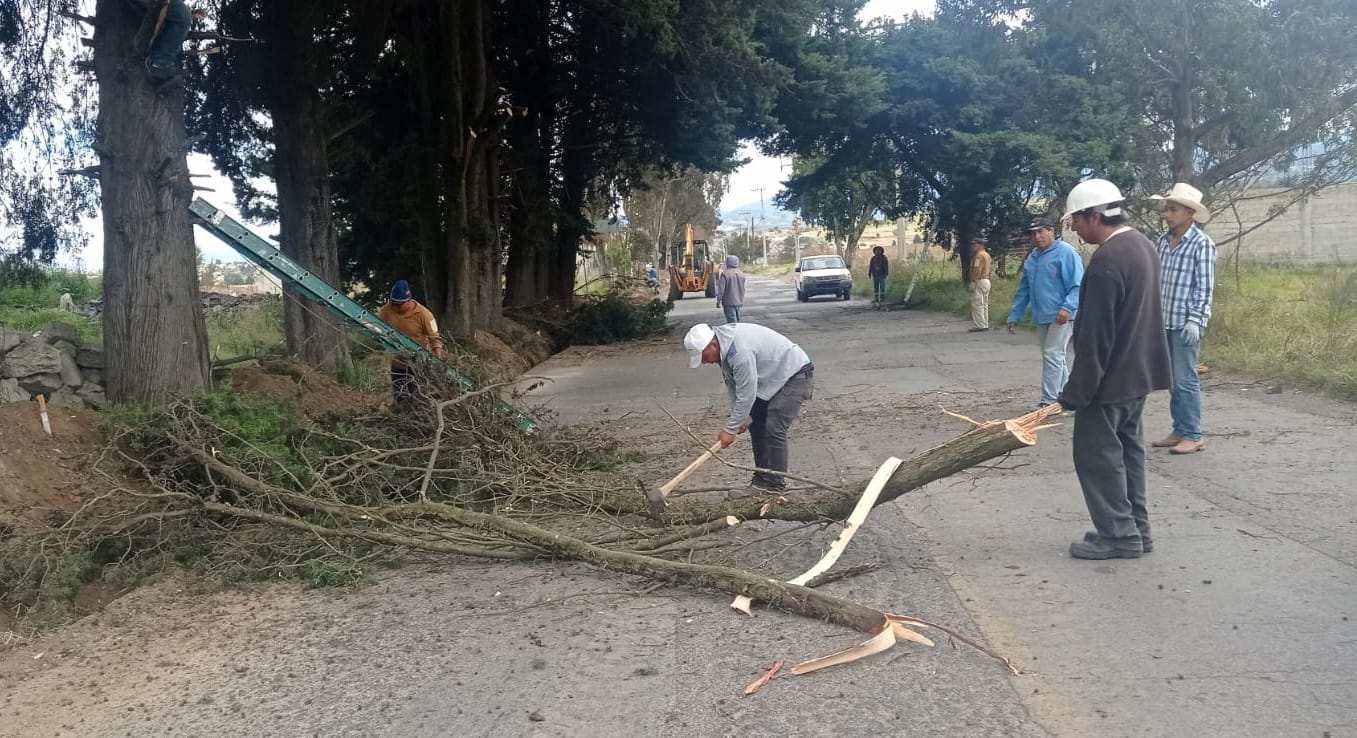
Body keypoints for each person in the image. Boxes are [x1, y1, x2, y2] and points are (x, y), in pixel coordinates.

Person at [1057, 178, 1171, 560]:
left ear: (1094, 215)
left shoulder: (1108, 260)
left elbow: (1095, 337)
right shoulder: (1143, 246)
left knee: (1097, 458)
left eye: (1076, 219)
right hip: (1138, 376)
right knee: (1127, 457)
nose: (1074, 227)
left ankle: (1119, 537)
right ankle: (1136, 529)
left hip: (1108, 382)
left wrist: (1076, 393)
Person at [684, 322, 813, 497]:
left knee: (774, 428)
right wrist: (740, 418)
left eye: (704, 356)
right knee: (756, 424)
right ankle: (761, 481)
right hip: (772, 379)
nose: (705, 361)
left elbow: (747, 392)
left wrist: (730, 429)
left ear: (712, 344)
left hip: (795, 375)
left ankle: (775, 486)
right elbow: (733, 385)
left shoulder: (739, 352)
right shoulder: (723, 347)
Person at [1149, 183, 1217, 455]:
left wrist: (1196, 320)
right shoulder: (1163, 242)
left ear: (1190, 212)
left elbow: (1204, 287)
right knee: (1172, 379)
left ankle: (1192, 433)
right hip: (1163, 319)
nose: (1167, 214)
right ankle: (1180, 428)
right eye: (1167, 208)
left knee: (1185, 379)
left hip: (1184, 322)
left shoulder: (1202, 245)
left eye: (1173, 209)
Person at [1005, 217, 1084, 407]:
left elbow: (1078, 284)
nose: (1037, 236)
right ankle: (1065, 397)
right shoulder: (1032, 258)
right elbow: (1023, 290)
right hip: (1041, 315)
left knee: (1052, 353)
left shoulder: (1065, 253)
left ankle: (1048, 402)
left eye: (1041, 231)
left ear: (1051, 231)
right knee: (1054, 355)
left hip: (1062, 315)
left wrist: (1067, 308)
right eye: (1034, 233)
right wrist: (1015, 314)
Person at [376, 279, 445, 403]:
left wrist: (438, 358)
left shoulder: (424, 314)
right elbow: (376, 324)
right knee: (400, 397)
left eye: (399, 304)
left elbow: (435, 337)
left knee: (417, 398)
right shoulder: (387, 309)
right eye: (393, 303)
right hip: (398, 364)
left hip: (418, 365)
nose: (395, 307)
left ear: (408, 301)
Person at [966, 239, 992, 332]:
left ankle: (979, 325)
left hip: (980, 280)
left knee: (977, 304)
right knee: (984, 304)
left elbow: (977, 269)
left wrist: (973, 281)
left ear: (981, 245)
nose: (972, 247)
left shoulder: (978, 256)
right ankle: (985, 323)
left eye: (974, 245)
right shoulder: (987, 255)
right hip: (987, 280)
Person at [715, 255, 747, 323]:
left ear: (727, 262)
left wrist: (718, 301)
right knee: (737, 321)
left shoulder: (725, 274)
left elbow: (721, 289)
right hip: (738, 301)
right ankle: (738, 332)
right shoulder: (741, 274)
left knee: (732, 322)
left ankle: (735, 333)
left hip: (728, 302)